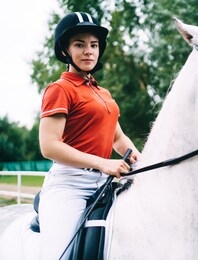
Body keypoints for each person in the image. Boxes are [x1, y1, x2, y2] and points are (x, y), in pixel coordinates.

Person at [38, 11, 141, 259]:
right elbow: (49, 146)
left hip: (104, 182)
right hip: (69, 185)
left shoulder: (103, 93)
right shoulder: (60, 89)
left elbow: (118, 138)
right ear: (65, 51)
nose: (88, 51)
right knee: (59, 255)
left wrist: (141, 158)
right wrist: (102, 163)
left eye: (93, 45)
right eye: (79, 44)